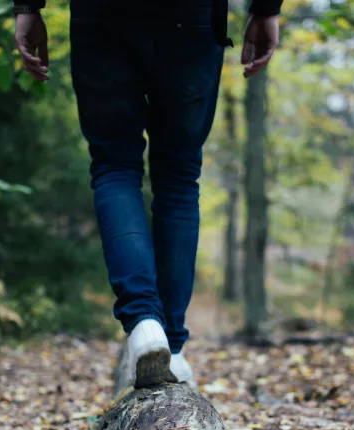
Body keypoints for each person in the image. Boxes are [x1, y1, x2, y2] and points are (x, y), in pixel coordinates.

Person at [15, 1, 282, 388]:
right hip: (192, 17)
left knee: (115, 166)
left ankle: (144, 325)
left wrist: (27, 7)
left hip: (102, 17)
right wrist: (265, 10)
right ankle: (171, 347)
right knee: (177, 178)